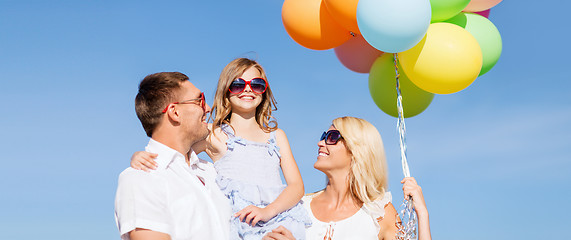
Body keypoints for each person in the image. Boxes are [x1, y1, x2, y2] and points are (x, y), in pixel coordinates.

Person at [130, 58, 311, 240]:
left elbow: (296, 186)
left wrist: (267, 211)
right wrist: (141, 155)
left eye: (256, 84)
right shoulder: (213, 133)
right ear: (226, 90)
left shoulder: (276, 136)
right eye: (238, 84)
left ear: (264, 91)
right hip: (240, 221)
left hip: (277, 216)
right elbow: (175, 151)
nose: (248, 89)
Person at [262, 117, 432, 240]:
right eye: (323, 136)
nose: (320, 143)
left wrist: (422, 214)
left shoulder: (379, 212)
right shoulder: (298, 207)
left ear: (357, 150)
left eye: (332, 137)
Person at [114, 72, 231, 240]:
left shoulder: (212, 171)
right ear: (175, 112)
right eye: (200, 100)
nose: (208, 108)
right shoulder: (141, 178)